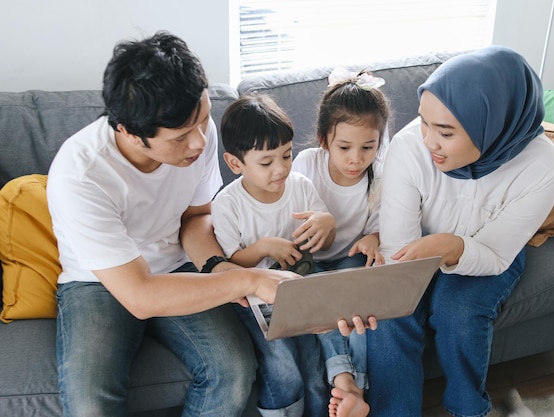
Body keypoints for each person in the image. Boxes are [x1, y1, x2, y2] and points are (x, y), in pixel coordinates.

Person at [47, 31, 299, 417]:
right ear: (130, 133)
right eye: (182, 136)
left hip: (174, 265)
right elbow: (141, 295)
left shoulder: (199, 134)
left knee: (232, 371)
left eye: (203, 118)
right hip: (96, 281)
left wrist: (219, 267)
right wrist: (247, 280)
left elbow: (196, 218)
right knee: (89, 407)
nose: (199, 143)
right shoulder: (81, 173)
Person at [364, 45, 554, 417]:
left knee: (457, 309)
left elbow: (495, 254)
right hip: (413, 250)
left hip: (487, 250)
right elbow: (398, 252)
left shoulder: (545, 166)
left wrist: (452, 247)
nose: (428, 141)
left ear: (492, 126)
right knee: (390, 313)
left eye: (445, 132)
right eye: (423, 121)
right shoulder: (409, 149)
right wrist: (419, 261)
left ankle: (469, 409)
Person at [212, 92, 336, 417]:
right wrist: (264, 247)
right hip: (252, 298)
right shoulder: (228, 204)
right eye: (266, 162)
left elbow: (322, 242)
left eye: (287, 155)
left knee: (313, 363)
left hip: (300, 289)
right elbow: (227, 266)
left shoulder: (301, 186)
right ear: (235, 163)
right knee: (281, 364)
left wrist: (326, 225)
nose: (280, 169)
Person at [292, 67, 391, 417]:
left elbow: (381, 227)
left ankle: (353, 388)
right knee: (320, 294)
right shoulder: (306, 164)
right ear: (323, 141)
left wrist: (374, 238)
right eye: (345, 147)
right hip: (315, 262)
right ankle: (347, 380)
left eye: (369, 147)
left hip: (349, 260)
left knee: (360, 304)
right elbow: (291, 221)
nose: (356, 159)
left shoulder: (379, 176)